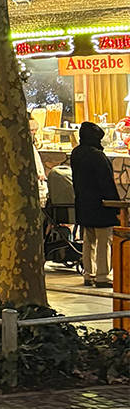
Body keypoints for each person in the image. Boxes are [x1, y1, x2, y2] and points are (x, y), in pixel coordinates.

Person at [71, 121, 121, 289]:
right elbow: (106, 183)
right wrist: (116, 204)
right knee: (103, 241)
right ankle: (102, 276)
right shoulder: (97, 156)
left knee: (88, 240)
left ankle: (88, 274)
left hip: (83, 203)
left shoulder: (76, 153)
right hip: (101, 205)